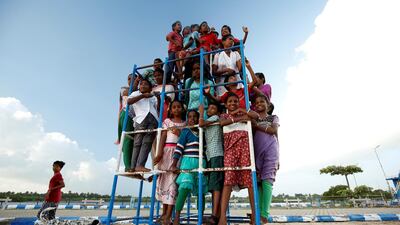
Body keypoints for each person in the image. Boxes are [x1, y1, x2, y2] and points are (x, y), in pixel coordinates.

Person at [217, 92, 258, 225]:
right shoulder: (224, 115)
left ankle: (254, 215)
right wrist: (239, 118)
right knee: (228, 181)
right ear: (226, 104)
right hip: (230, 151)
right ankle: (222, 217)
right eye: (230, 102)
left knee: (250, 181)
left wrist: (242, 111)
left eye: (235, 101)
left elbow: (255, 117)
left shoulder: (244, 113)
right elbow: (223, 123)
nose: (233, 103)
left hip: (245, 149)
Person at [170, 110, 207, 225]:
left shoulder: (202, 131)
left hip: (201, 163)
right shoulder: (186, 131)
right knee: (184, 189)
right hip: (187, 162)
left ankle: (200, 216)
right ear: (187, 119)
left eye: (195, 117)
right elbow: (179, 147)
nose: (192, 119)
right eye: (190, 117)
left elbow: (205, 149)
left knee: (201, 191)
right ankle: (176, 217)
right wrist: (174, 163)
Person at [154, 100, 186, 225]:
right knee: (163, 182)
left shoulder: (184, 124)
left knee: (172, 184)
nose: (176, 109)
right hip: (166, 151)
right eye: (174, 107)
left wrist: (180, 133)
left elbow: (185, 138)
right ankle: (163, 213)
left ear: (182, 109)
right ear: (171, 110)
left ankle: (168, 216)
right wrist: (159, 153)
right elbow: (162, 137)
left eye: (179, 107)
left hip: (177, 154)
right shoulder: (167, 122)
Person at [251, 95, 279, 223]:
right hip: (257, 152)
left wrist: (279, 158)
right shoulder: (253, 119)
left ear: (268, 104)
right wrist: (254, 125)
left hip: (271, 151)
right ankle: (258, 213)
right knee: (258, 182)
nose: (259, 103)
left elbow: (274, 131)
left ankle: (264, 214)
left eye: (262, 101)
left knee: (267, 181)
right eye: (256, 102)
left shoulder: (273, 117)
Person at [199, 103, 224, 225]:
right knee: (214, 185)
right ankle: (216, 215)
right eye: (209, 108)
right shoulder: (210, 119)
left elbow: (201, 124)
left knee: (216, 185)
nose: (210, 109)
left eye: (213, 108)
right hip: (211, 155)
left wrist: (201, 111)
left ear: (218, 112)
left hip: (216, 154)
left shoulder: (215, 118)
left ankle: (214, 216)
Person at [127, 78, 159, 173]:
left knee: (147, 143)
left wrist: (158, 97)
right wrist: (142, 96)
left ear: (150, 87)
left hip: (152, 119)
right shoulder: (135, 93)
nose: (143, 86)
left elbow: (157, 107)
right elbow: (129, 102)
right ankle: (133, 166)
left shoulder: (153, 97)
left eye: (146, 84)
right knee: (137, 143)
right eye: (141, 84)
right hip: (140, 119)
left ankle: (140, 165)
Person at [115, 74, 136, 171]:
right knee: (127, 139)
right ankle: (128, 167)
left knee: (132, 141)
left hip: (133, 117)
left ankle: (132, 166)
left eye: (133, 79)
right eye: (129, 78)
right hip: (126, 114)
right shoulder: (124, 89)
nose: (130, 80)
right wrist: (136, 84)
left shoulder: (138, 90)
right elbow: (127, 93)